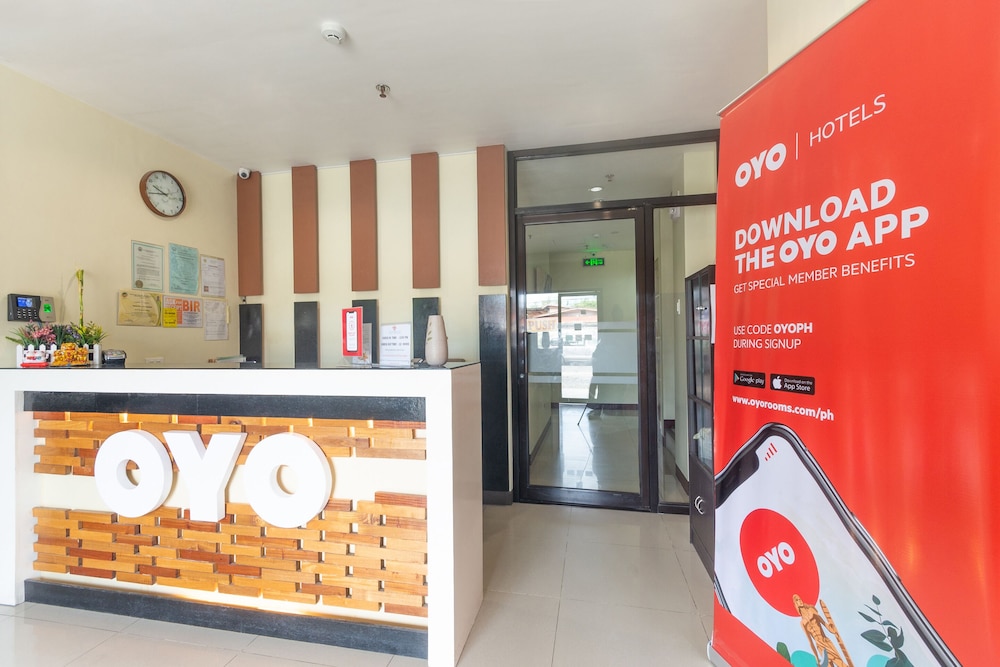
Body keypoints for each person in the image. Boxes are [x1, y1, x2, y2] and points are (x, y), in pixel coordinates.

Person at [792, 594, 853, 667]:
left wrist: (831, 629)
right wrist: (816, 658)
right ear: (795, 604)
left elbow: (823, 622)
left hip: (825, 641)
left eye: (800, 599)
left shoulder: (811, 611)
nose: (800, 601)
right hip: (820, 646)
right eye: (797, 600)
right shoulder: (802, 623)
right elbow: (810, 641)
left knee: (840, 664)